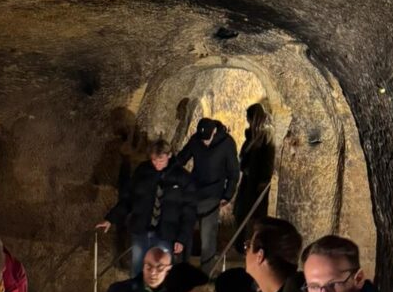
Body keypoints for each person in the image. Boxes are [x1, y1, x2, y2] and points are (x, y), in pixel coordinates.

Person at [96, 139, 196, 277]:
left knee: (161, 274)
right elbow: (129, 198)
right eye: (154, 160)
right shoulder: (143, 171)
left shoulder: (182, 177)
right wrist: (110, 219)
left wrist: (182, 238)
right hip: (141, 231)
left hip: (166, 234)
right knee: (137, 271)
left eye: (161, 160)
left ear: (169, 155)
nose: (157, 164)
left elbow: (189, 211)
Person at [176, 118, 240, 270]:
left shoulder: (227, 143)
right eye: (202, 139)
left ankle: (206, 274)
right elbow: (181, 159)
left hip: (213, 195)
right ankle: (181, 270)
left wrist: (227, 195)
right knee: (185, 232)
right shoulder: (196, 140)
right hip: (193, 193)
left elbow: (233, 172)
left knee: (208, 238)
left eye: (207, 139)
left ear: (215, 132)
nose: (205, 142)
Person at [233, 104, 275, 251]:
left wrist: (264, 180)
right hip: (248, 181)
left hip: (257, 184)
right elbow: (244, 156)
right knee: (240, 212)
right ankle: (241, 245)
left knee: (255, 216)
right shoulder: (252, 137)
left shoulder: (266, 137)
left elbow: (268, 160)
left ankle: (253, 246)